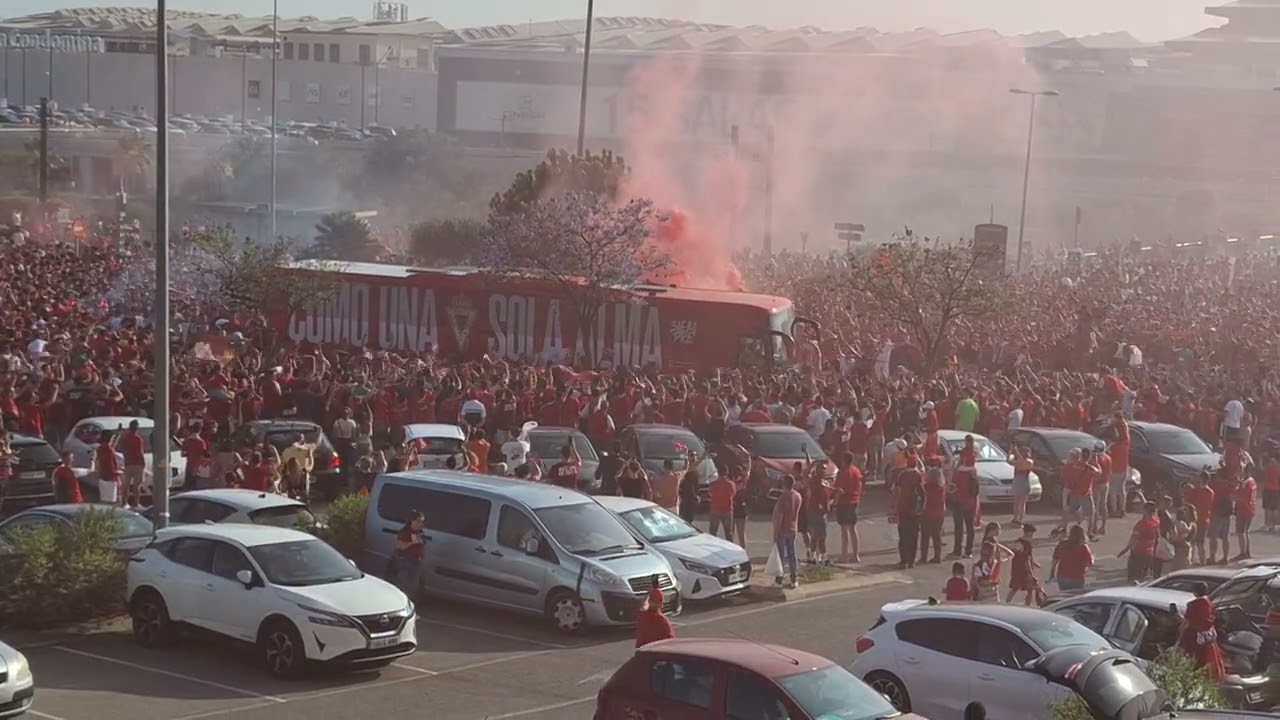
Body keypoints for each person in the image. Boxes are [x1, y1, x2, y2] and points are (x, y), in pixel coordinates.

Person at [1178, 582, 1226, 681]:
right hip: (1208, 635)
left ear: (1194, 592)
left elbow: (1187, 621)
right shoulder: (1209, 603)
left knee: (1194, 658)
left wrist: (1180, 631)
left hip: (1194, 636)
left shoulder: (1192, 605)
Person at [949, 435, 978, 558]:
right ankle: (968, 551)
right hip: (970, 502)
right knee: (970, 527)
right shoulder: (974, 474)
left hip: (959, 501)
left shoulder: (959, 473)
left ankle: (957, 550)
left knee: (959, 527)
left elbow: (953, 487)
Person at [894, 451, 925, 570]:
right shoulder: (918, 475)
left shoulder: (902, 475)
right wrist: (921, 508)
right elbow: (922, 493)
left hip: (903, 508)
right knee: (913, 536)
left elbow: (897, 492)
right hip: (914, 510)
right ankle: (911, 561)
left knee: (903, 535)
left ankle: (904, 560)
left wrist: (895, 507)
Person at [1117, 502, 1161, 583]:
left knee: (1134, 578)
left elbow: (1133, 539)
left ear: (1145, 510)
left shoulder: (1141, 524)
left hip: (1138, 552)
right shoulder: (1157, 522)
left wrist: (1125, 550)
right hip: (1151, 552)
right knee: (1145, 577)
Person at [771, 475, 802, 589]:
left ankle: (779, 579)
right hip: (792, 528)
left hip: (782, 529)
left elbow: (780, 516)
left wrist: (775, 532)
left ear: (784, 484)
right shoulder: (798, 496)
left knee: (780, 555)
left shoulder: (783, 498)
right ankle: (794, 578)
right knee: (792, 554)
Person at [834, 451, 863, 563]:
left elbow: (839, 490)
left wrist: (835, 502)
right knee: (852, 528)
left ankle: (844, 555)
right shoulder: (856, 471)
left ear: (843, 460)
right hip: (854, 501)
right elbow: (859, 484)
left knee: (844, 529)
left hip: (844, 502)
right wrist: (858, 496)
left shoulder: (842, 472)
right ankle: (855, 555)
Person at [391, 510, 426, 597]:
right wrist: (412, 542)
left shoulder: (419, 532)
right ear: (412, 521)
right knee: (403, 585)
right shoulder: (405, 531)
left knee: (412, 587)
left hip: (416, 562)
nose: (420, 524)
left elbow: (421, 545)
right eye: (418, 521)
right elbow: (400, 546)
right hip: (405, 561)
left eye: (422, 522)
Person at [1049, 524, 1094, 592]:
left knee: (1064, 595)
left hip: (1062, 576)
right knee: (1076, 596)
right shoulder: (1083, 547)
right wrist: (1092, 558)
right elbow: (1089, 563)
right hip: (1077, 577)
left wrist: (1052, 574)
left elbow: (1054, 561)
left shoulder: (1061, 544)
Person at [1006, 523, 1042, 605]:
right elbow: (1026, 559)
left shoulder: (1018, 542)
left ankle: (1007, 602)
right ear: (1028, 532)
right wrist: (1030, 571)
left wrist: (1034, 563)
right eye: (1032, 533)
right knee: (1029, 589)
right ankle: (1027, 605)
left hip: (1016, 568)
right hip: (1024, 569)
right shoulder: (1026, 544)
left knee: (1015, 587)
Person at [919, 466, 946, 565]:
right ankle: (937, 556)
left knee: (925, 537)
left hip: (927, 513)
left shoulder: (926, 487)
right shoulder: (942, 488)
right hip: (939, 514)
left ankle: (923, 557)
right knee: (937, 536)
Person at [120, 419, 146, 508]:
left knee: (126, 485)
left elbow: (124, 450)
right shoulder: (138, 439)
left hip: (128, 464)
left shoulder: (125, 438)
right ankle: (136, 503)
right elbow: (140, 452)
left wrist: (126, 460)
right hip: (137, 464)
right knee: (136, 485)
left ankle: (124, 502)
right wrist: (143, 463)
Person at [707, 468, 736, 542]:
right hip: (727, 510)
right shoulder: (731, 484)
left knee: (713, 532)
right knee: (728, 533)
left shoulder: (713, 484)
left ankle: (712, 545)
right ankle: (729, 546)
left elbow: (710, 493)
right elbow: (733, 494)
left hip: (715, 509)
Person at [1009, 442, 1035, 526]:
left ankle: (1020, 520)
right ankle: (1015, 518)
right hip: (1018, 482)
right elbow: (1009, 461)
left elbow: (1022, 461)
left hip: (1024, 482)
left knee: (1022, 503)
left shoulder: (1029, 461)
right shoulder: (1019, 461)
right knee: (1016, 503)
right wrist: (1011, 451)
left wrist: (1015, 450)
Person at [1233, 470, 1257, 561]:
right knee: (1246, 531)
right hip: (1250, 508)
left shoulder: (1245, 483)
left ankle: (1243, 552)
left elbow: (1241, 497)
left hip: (1243, 509)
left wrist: (1235, 491)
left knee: (1241, 532)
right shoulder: (1252, 481)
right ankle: (1247, 551)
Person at [94, 428, 121, 505]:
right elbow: (110, 467)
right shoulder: (109, 450)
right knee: (112, 502)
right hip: (110, 479)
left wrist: (118, 435)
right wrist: (118, 473)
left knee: (103, 501)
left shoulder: (99, 449)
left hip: (102, 477)